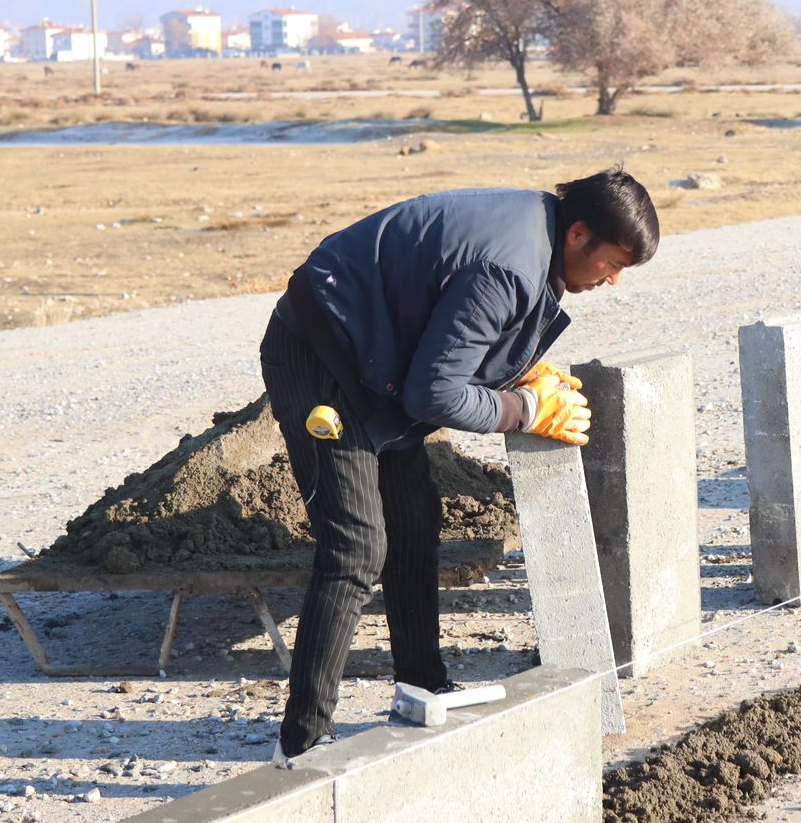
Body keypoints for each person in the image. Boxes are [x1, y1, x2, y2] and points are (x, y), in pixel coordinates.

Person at [259, 167, 659, 763]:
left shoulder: (537, 236)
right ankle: (301, 746)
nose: (614, 280)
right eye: (613, 263)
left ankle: (421, 686)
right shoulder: (512, 266)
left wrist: (519, 371)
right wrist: (524, 409)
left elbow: (453, 334)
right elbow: (433, 395)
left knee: (415, 518)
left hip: (372, 356)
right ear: (580, 235)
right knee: (355, 550)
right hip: (320, 351)